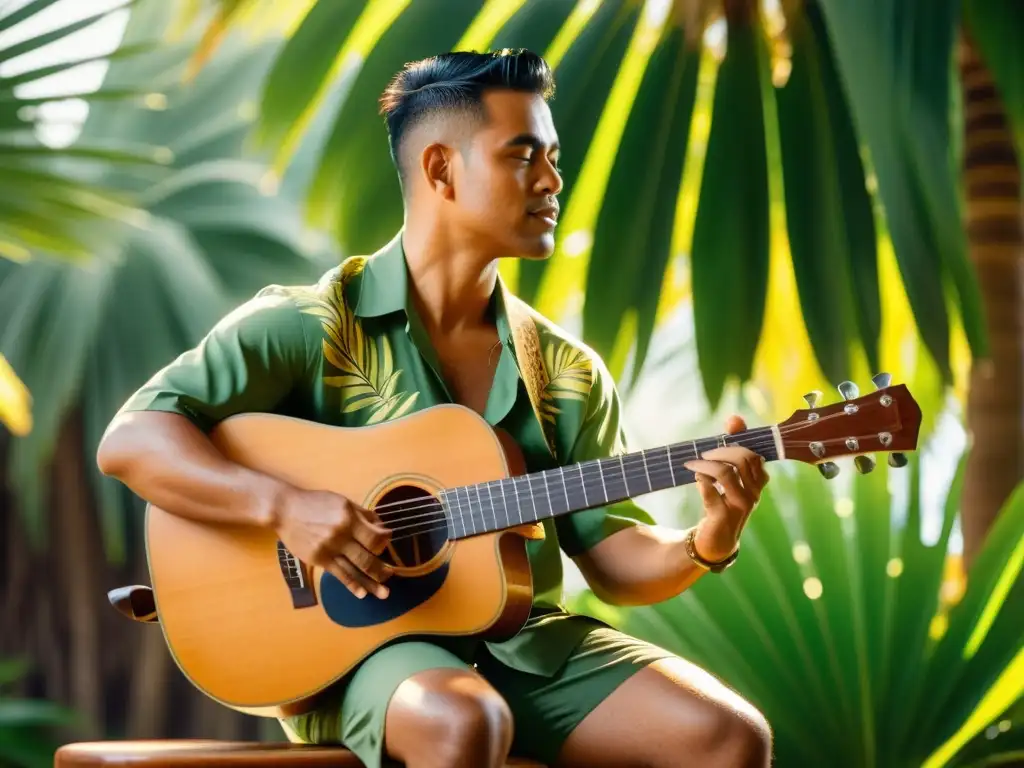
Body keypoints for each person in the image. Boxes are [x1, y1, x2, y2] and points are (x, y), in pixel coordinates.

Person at [97, 49, 772, 768]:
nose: (552, 181)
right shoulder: (311, 325)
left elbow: (611, 557)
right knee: (463, 721)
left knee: (729, 739)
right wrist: (282, 507)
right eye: (524, 156)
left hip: (524, 640)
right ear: (441, 170)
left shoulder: (567, 371)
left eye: (554, 157)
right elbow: (133, 441)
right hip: (367, 655)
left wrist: (710, 536)